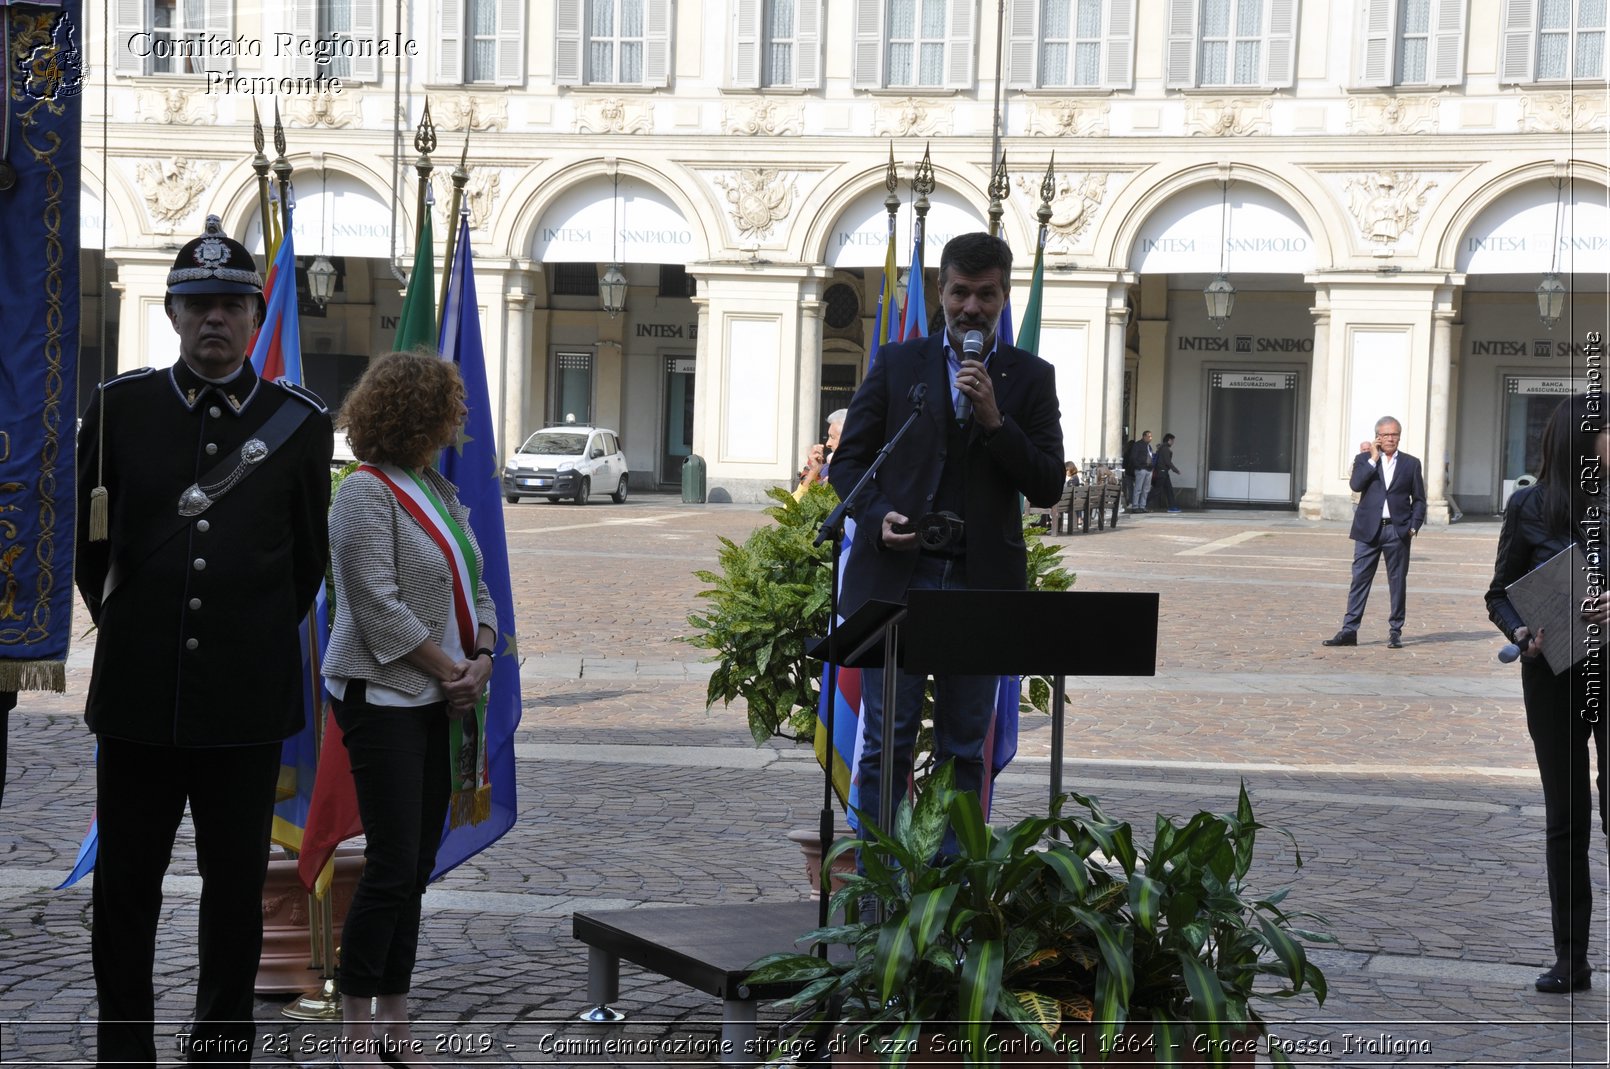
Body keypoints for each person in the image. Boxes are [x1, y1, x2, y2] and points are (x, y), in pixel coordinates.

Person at [74, 215, 333, 1067]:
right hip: (140, 699)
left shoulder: (296, 425)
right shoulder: (120, 409)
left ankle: (221, 1042)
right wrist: (141, 634)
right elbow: (89, 550)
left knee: (233, 891)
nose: (214, 319)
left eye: (231, 305)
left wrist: (239, 635)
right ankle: (124, 1047)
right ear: (173, 313)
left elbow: (305, 562)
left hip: (244, 703)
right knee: (126, 889)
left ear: (256, 319)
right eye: (198, 305)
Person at [828, 231, 1063, 846]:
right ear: (941, 291)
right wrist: (876, 517)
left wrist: (994, 421)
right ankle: (880, 892)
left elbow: (1045, 485)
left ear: (1004, 297)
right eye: (961, 293)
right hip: (900, 579)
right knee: (887, 744)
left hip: (978, 584)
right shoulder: (896, 363)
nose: (971, 309)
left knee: (964, 747)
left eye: (986, 296)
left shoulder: (1030, 379)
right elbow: (850, 464)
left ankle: (954, 897)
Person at [321, 350, 498, 1068]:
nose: (459, 419)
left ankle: (396, 1017)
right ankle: (357, 1027)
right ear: (417, 413)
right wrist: (451, 666)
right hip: (384, 699)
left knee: (418, 863)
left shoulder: (440, 491)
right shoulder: (362, 495)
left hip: (442, 700)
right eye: (450, 408)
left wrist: (481, 655)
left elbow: (481, 593)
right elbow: (375, 608)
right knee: (392, 863)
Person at [1485, 393, 1608, 994]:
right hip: (1553, 678)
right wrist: (1519, 630)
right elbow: (1499, 593)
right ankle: (1571, 960)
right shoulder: (1529, 506)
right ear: (1582, 441)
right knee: (1567, 820)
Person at [1322, 416, 1427, 649]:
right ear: (1377, 436)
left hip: (1397, 531)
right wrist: (1373, 459)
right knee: (1359, 579)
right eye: (1386, 435)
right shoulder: (1364, 459)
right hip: (1367, 531)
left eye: (1395, 434)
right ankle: (1349, 630)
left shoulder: (1411, 463)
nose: (1391, 439)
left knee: (1397, 582)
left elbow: (1419, 499)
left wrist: (1413, 527)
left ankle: (1395, 631)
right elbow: (1356, 485)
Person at [793, 407, 848, 501]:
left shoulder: (869, 473)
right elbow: (792, 508)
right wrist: (814, 471)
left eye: (832, 437)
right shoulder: (826, 470)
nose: (828, 444)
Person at [1154, 433, 1183, 512]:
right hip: (1162, 472)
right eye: (1173, 440)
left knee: (1169, 490)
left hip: (1163, 472)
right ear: (1169, 440)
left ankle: (1172, 506)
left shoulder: (1162, 448)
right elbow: (1168, 462)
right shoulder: (1165, 449)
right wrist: (1175, 470)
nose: (1173, 442)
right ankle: (1143, 504)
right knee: (1157, 490)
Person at [1127, 430, 1155, 512]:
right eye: (1149, 436)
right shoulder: (1138, 445)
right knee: (1138, 488)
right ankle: (1135, 506)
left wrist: (1152, 466)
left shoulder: (1149, 446)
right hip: (1141, 469)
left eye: (1151, 436)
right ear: (1144, 436)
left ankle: (1142, 506)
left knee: (1146, 489)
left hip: (1148, 469)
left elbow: (1150, 456)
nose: (1151, 438)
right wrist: (1138, 467)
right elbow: (1133, 457)